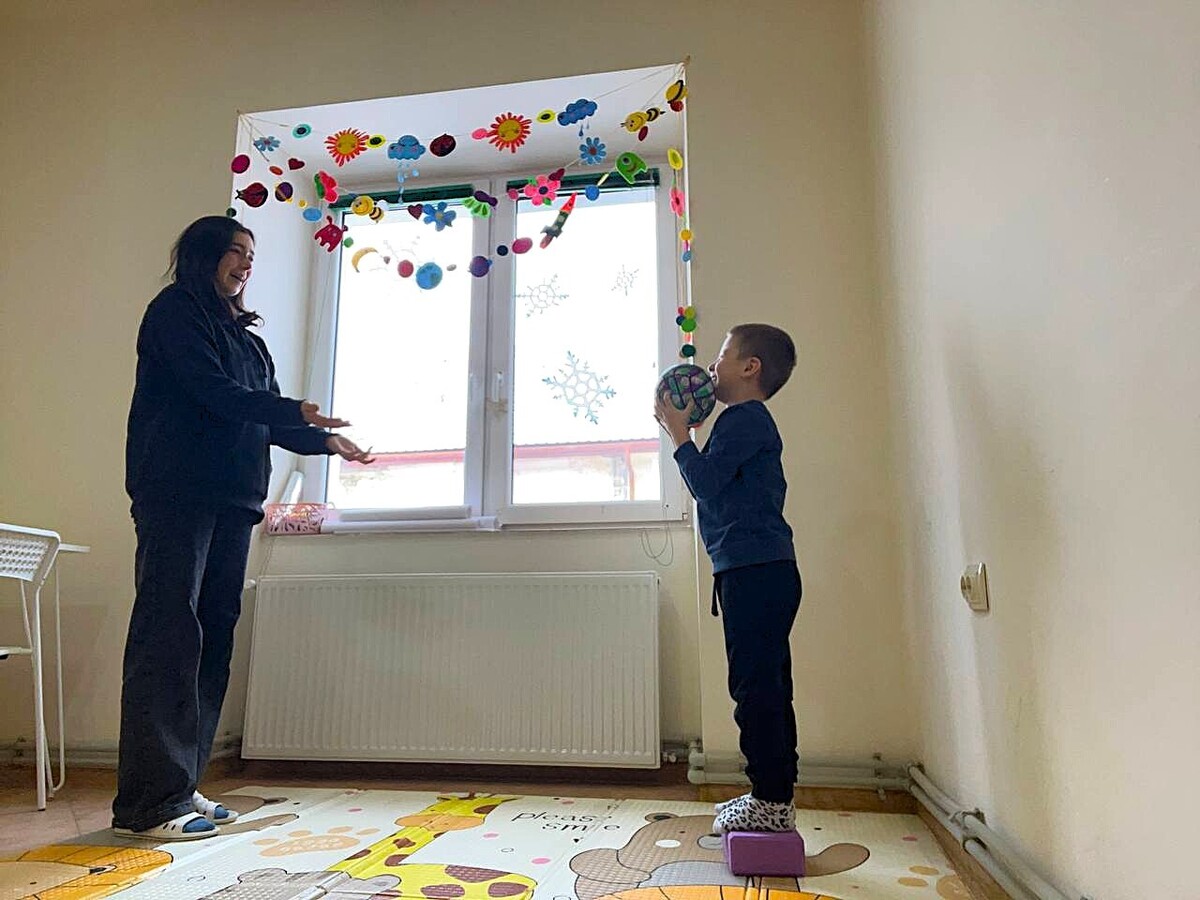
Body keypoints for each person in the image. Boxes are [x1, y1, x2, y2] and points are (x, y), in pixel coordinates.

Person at [113, 215, 374, 840]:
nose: (246, 263)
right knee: (168, 637)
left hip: (234, 503)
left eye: (251, 254)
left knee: (211, 643)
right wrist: (292, 409)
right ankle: (147, 806)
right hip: (177, 494)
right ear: (203, 255)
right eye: (235, 251)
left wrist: (324, 442)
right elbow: (214, 393)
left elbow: (268, 421)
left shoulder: (249, 341)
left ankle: (180, 785)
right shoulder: (175, 313)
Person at [655, 323, 801, 833]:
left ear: (749, 367)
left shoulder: (743, 419)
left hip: (755, 571)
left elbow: (706, 483)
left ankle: (770, 800)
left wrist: (679, 434)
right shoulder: (741, 422)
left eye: (721, 356)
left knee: (754, 689)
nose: (712, 366)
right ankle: (774, 796)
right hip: (760, 570)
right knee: (767, 686)